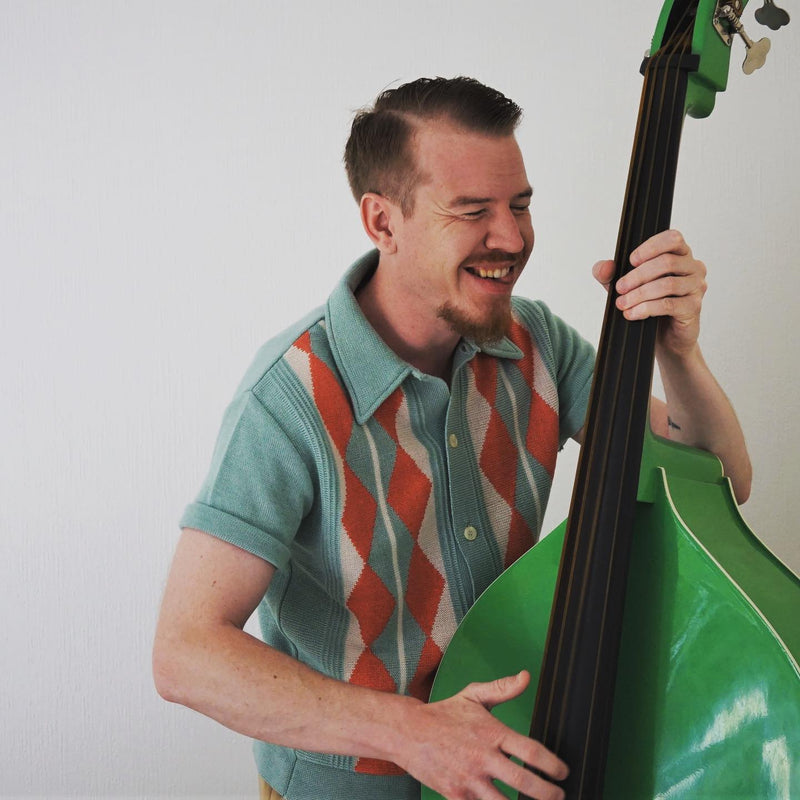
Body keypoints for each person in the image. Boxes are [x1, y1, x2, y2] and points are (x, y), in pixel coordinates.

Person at [153, 77, 751, 800]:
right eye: (472, 212)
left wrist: (678, 353)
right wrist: (412, 730)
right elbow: (184, 653)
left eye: (521, 205)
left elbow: (714, 486)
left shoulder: (540, 343)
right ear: (382, 221)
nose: (512, 238)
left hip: (513, 767)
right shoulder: (288, 400)